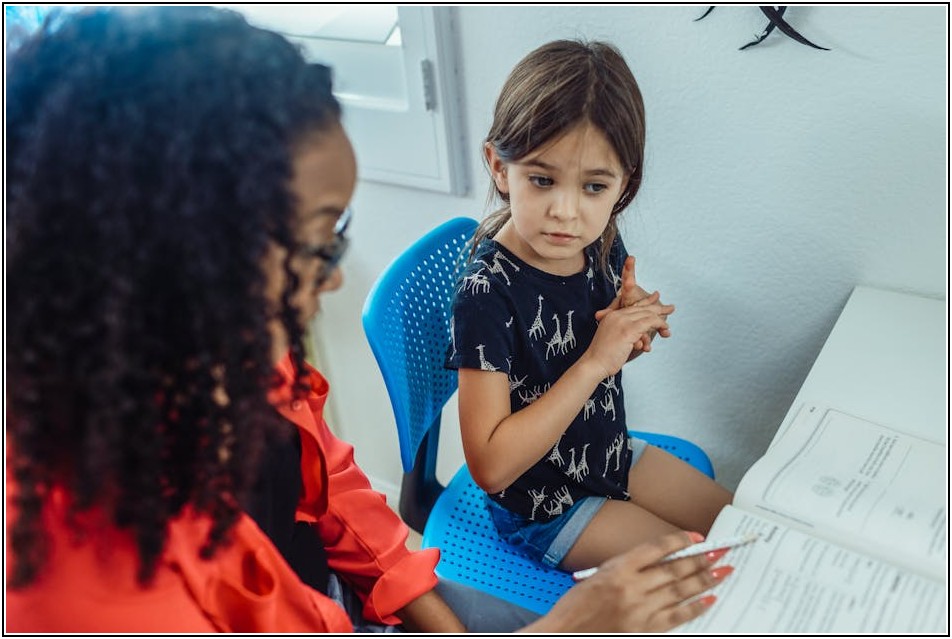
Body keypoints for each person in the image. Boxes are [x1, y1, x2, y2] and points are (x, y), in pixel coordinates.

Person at [5, 7, 730, 633]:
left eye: (337, 231)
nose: (331, 275)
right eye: (318, 239)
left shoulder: (241, 356)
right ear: (176, 248)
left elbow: (339, 498)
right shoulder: (93, 589)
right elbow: (495, 458)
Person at [446, 40, 735, 576]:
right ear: (498, 166)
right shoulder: (486, 295)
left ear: (624, 185)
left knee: (744, 526)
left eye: (594, 187)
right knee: (708, 567)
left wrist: (628, 333)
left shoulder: (599, 244)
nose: (566, 211)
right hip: (544, 505)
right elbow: (490, 467)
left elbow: (581, 358)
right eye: (541, 178)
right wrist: (597, 361)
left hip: (606, 453)